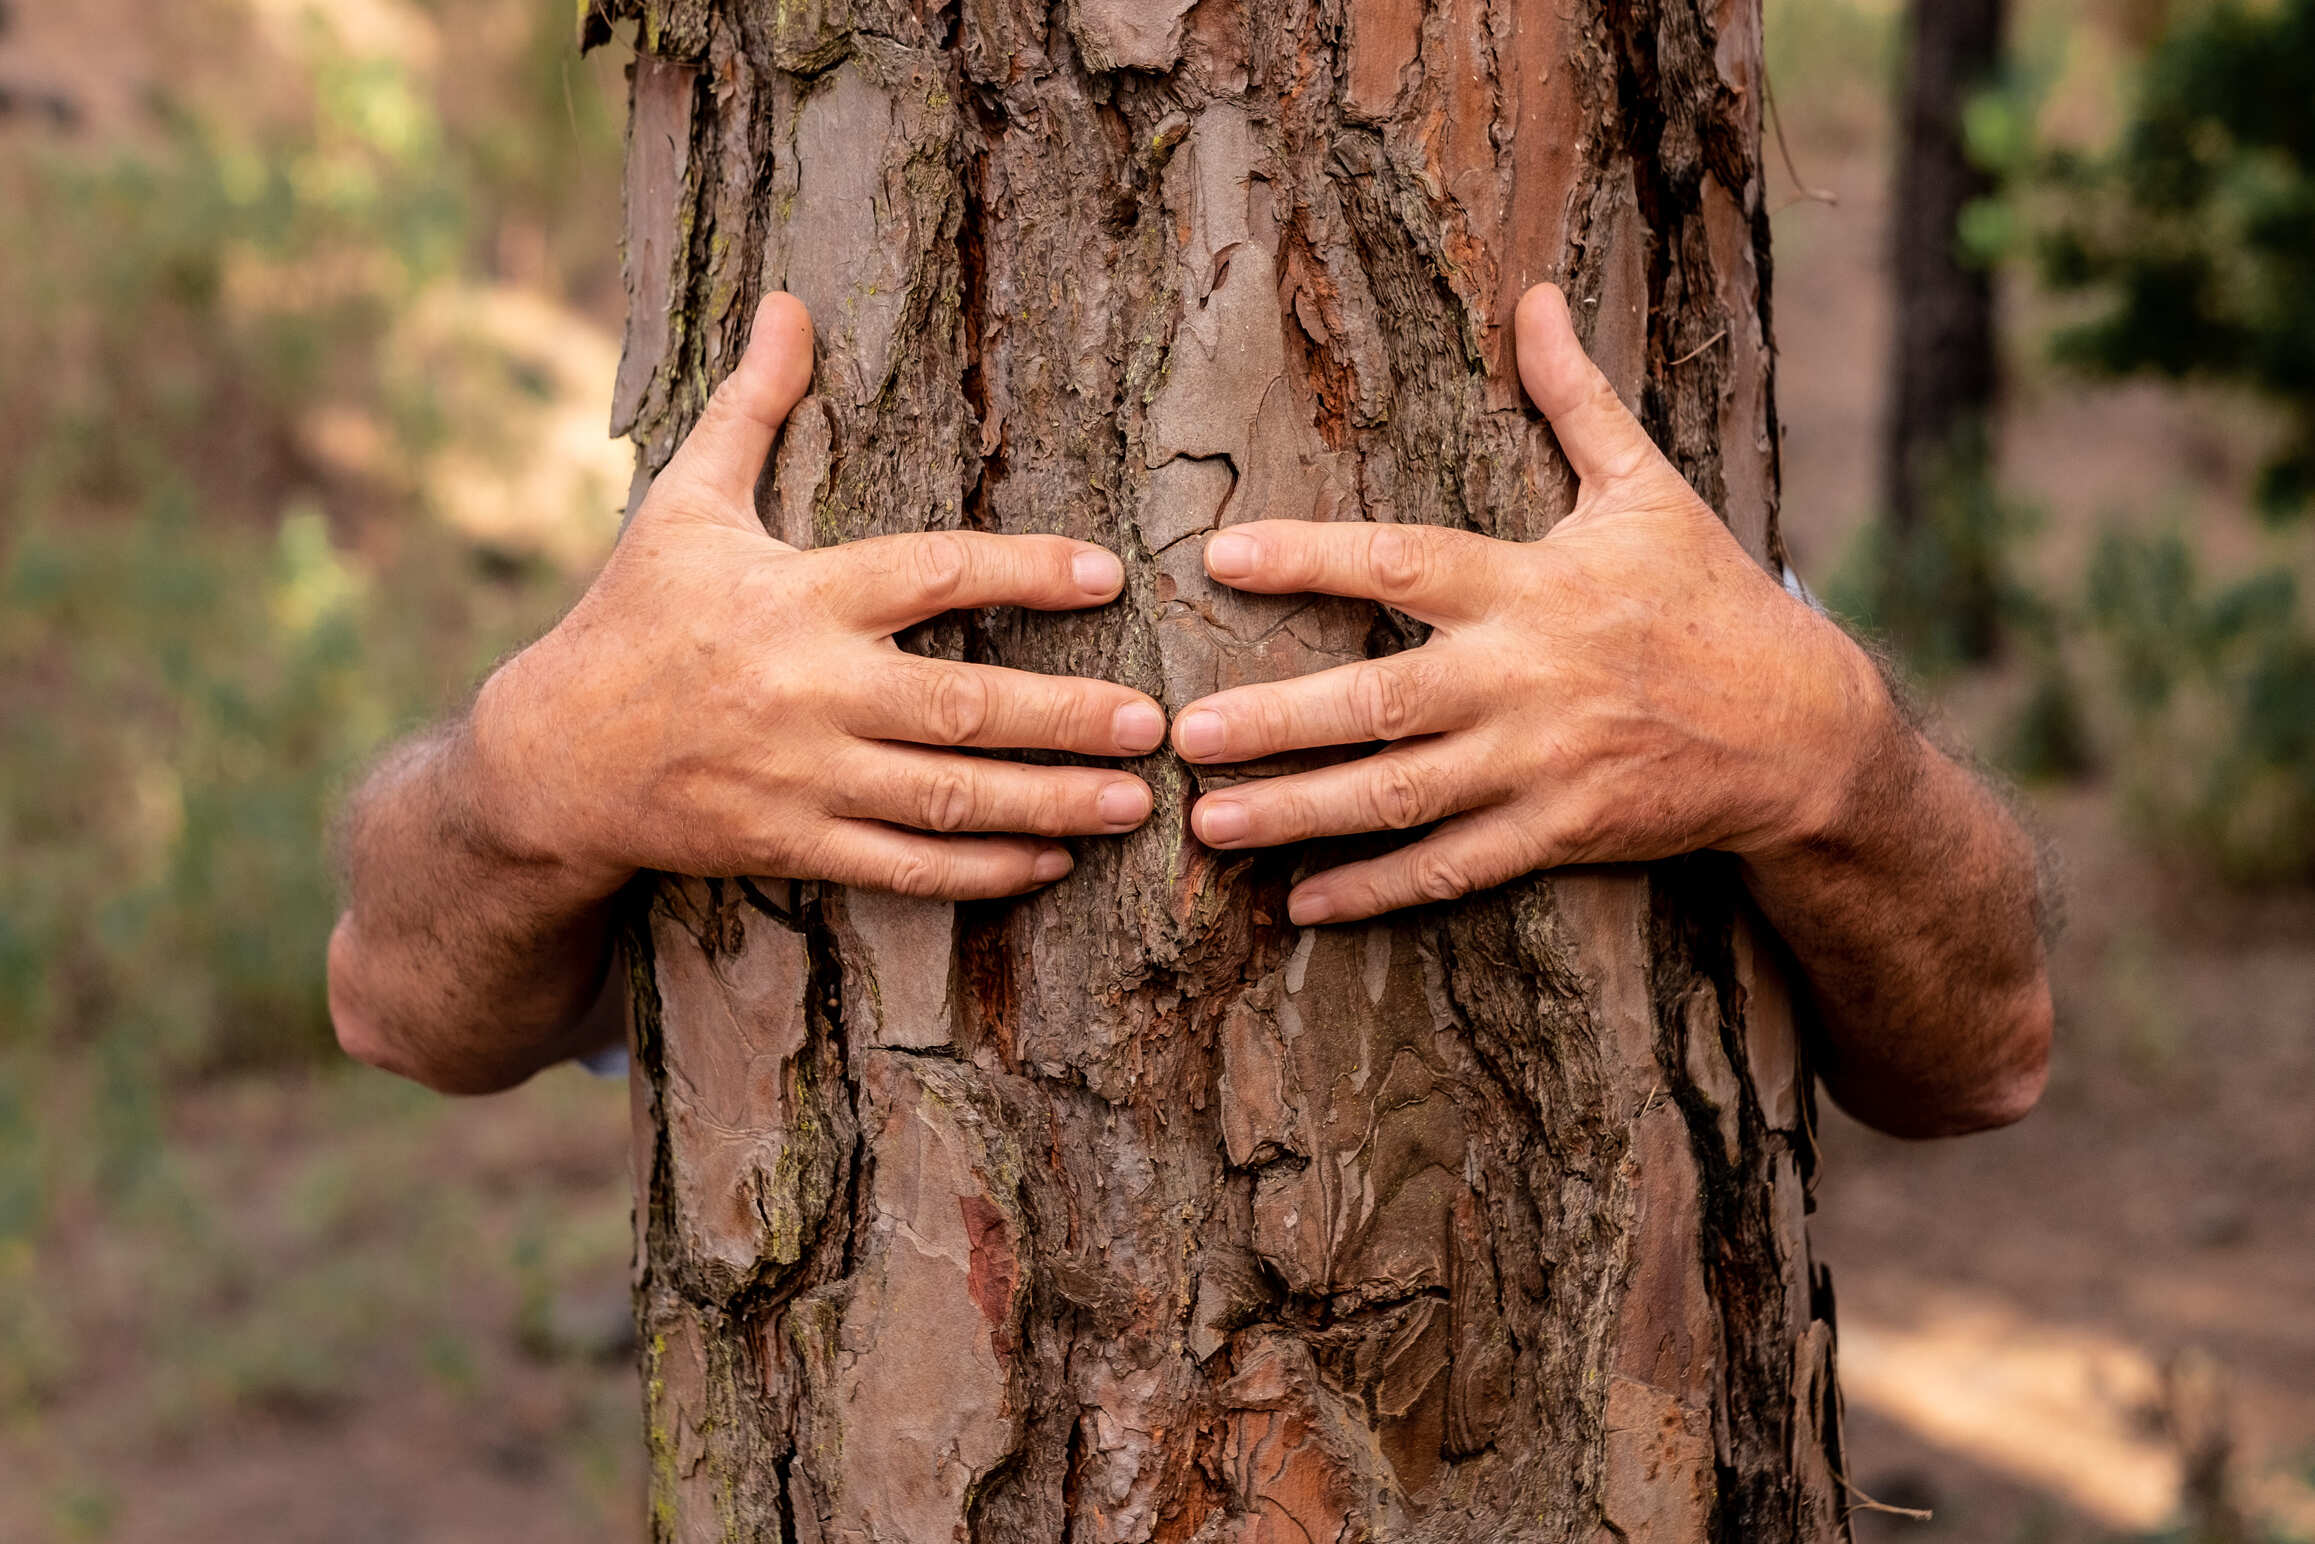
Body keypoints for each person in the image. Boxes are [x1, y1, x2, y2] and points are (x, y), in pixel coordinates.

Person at [328, 285, 2051, 1140]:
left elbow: (1986, 1055)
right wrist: (526, 776)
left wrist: (1833, 751)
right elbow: (397, 1009)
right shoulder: (749, 517)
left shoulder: (1646, 557)